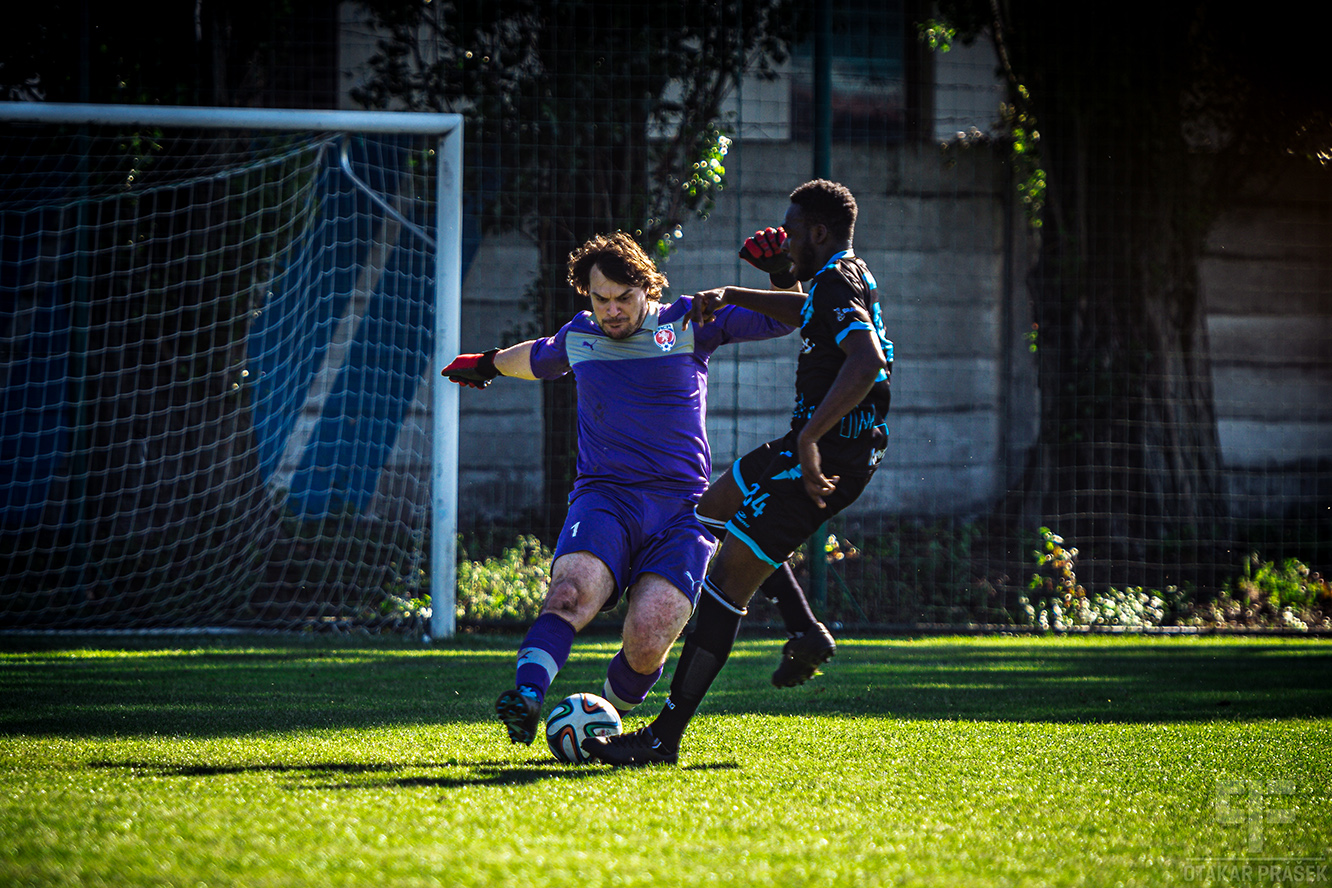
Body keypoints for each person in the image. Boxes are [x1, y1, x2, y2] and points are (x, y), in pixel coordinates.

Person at [441, 231, 812, 746]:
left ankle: (603, 721)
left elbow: (787, 317)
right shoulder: (580, 335)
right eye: (601, 300)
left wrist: (782, 274)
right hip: (606, 498)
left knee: (649, 636)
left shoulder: (690, 320)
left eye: (623, 298)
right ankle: (527, 696)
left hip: (683, 510)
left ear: (647, 289)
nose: (612, 311)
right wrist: (486, 364)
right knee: (569, 593)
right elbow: (535, 357)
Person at [583, 179, 893, 766]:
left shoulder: (835, 280)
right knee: (711, 509)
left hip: (827, 459)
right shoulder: (844, 275)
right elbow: (806, 311)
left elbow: (867, 361)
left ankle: (663, 737)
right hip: (812, 447)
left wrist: (810, 440)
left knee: (724, 584)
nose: (787, 242)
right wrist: (732, 292)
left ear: (818, 232)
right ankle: (803, 629)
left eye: (793, 232)